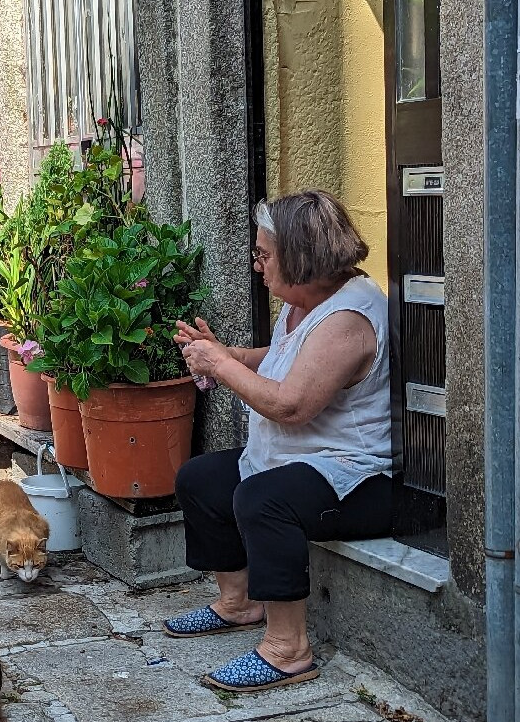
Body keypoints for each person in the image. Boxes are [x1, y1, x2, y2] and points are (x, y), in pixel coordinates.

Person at [164, 189, 391, 692]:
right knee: (200, 479)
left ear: (301, 260)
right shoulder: (309, 303)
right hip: (301, 460)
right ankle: (238, 603)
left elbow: (291, 405)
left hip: (359, 478)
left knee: (263, 500)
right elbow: (284, 357)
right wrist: (228, 353)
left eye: (265, 254)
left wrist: (219, 365)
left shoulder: (350, 319)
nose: (257, 263)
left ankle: (288, 650)